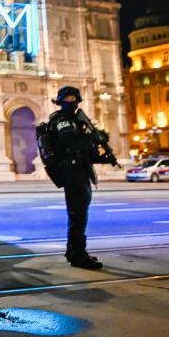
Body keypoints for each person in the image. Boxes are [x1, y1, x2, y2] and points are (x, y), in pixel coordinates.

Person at [45, 86, 114, 270]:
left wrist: (103, 156)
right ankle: (78, 255)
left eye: (74, 97)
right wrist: (92, 136)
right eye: (67, 98)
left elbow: (85, 152)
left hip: (81, 171)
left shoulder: (77, 121)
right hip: (71, 172)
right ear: (60, 101)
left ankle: (73, 251)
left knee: (80, 213)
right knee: (78, 215)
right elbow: (71, 142)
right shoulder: (62, 121)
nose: (71, 101)